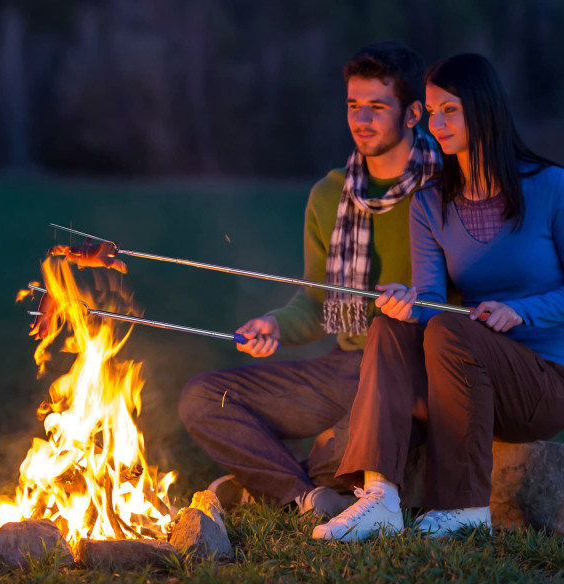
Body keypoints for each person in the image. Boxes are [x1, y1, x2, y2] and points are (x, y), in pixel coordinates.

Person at [178, 41, 441, 517]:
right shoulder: (330, 195)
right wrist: (276, 325)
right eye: (353, 105)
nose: (361, 120)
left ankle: (283, 484)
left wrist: (419, 302)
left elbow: (472, 292)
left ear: (412, 113)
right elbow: (320, 300)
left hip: (414, 371)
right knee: (202, 399)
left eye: (377, 107)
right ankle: (307, 494)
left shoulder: (447, 189)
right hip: (344, 368)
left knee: (350, 438)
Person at [313, 53, 564, 541]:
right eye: (431, 112)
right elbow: (431, 300)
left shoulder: (552, 187)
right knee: (390, 325)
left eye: (449, 110)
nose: (436, 123)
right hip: (468, 379)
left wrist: (521, 311)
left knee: (451, 328)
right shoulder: (430, 203)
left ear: (483, 108)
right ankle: (379, 496)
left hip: (544, 385)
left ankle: (464, 508)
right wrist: (411, 301)